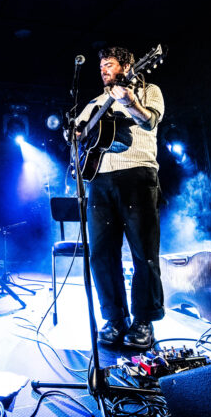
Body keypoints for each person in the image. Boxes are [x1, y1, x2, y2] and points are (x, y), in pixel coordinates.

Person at [73, 46, 165, 350]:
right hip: (99, 180)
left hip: (137, 175)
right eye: (101, 66)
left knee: (144, 252)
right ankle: (115, 318)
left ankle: (144, 320)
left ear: (126, 66)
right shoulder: (95, 102)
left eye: (109, 64)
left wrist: (130, 102)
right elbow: (77, 134)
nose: (103, 70)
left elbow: (150, 121)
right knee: (100, 253)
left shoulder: (149, 90)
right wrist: (75, 136)